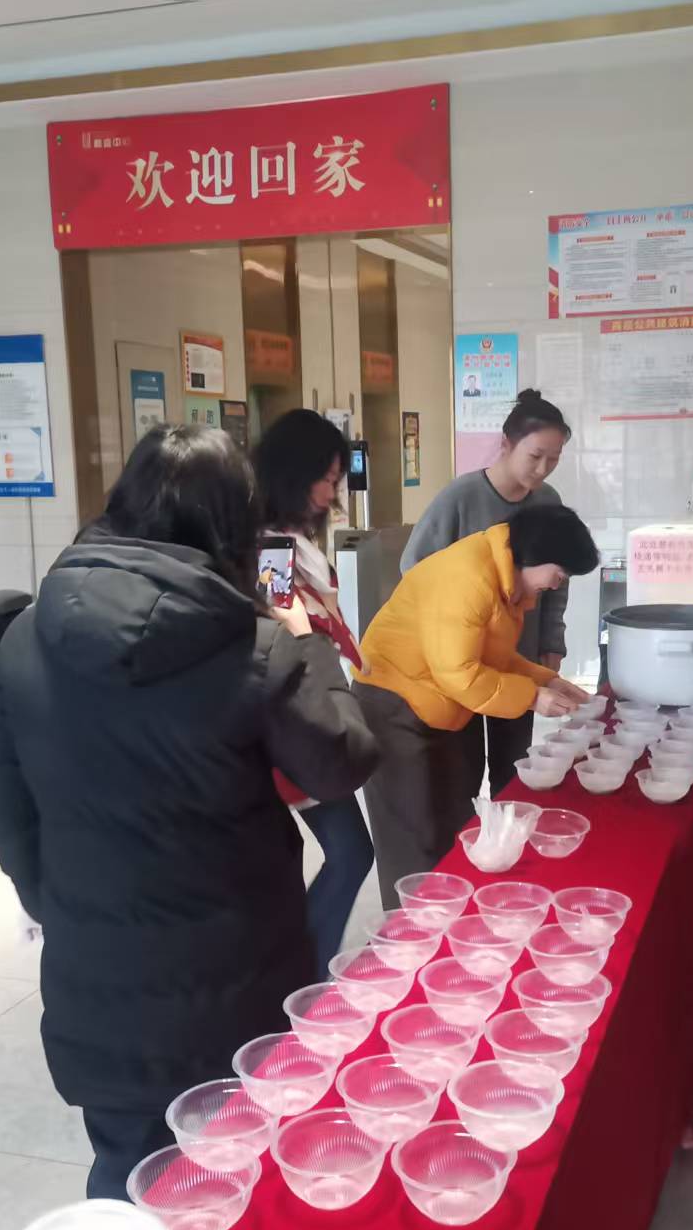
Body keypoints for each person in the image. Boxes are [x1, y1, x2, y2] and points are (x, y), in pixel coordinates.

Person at [0, 425, 378, 1199]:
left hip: (99, 981)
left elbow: (6, 804)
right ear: (233, 524)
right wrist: (309, 643)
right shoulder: (256, 648)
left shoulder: (25, 636)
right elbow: (342, 758)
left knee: (124, 1168)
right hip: (237, 978)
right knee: (240, 1174)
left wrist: (62, 906)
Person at [356, 505, 599, 908]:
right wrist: (532, 697)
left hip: (443, 702)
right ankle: (415, 930)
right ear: (536, 554)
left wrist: (547, 680)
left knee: (458, 818)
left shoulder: (506, 581)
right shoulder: (467, 577)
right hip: (396, 699)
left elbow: (490, 657)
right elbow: (459, 672)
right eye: (560, 573)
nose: (558, 584)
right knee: (413, 831)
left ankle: (454, 913)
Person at [401, 389, 573, 796]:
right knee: (461, 768)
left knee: (512, 768)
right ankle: (473, 831)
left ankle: (511, 827)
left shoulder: (549, 502)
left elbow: (558, 581)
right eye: (535, 456)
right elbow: (414, 569)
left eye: (553, 459)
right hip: (462, 660)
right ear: (506, 444)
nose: (543, 469)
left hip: (520, 653)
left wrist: (552, 640)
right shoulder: (460, 499)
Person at [254, 408, 378, 970]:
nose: (332, 493)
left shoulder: (290, 540)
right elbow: (282, 629)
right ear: (293, 474)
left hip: (302, 713)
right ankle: (300, 972)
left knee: (346, 853)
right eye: (326, 479)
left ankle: (299, 967)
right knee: (350, 852)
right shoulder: (271, 549)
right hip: (293, 722)